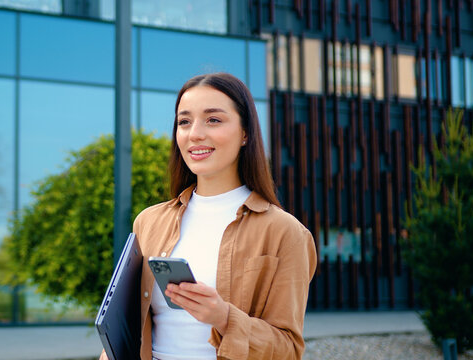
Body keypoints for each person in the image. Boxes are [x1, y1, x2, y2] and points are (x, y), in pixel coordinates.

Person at [101, 72, 317, 360]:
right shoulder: (149, 221)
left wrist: (224, 317)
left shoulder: (285, 233)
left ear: (245, 133)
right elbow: (129, 325)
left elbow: (288, 349)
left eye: (213, 120)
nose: (195, 134)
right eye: (184, 122)